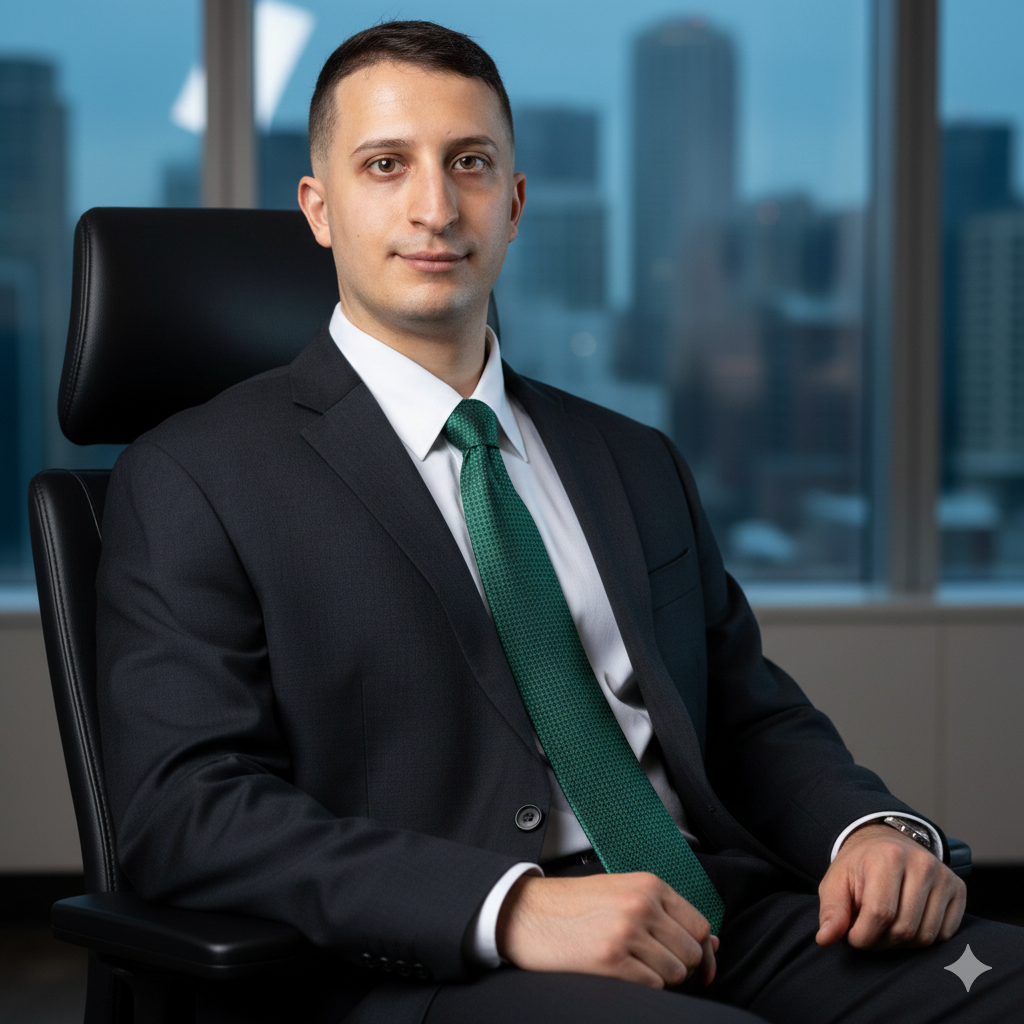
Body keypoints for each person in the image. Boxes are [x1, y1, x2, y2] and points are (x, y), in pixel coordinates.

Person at [96, 20, 1023, 1024]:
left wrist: (866, 830)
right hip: (439, 964)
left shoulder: (631, 456)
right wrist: (510, 907)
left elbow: (748, 715)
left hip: (715, 914)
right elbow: (187, 808)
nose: (435, 206)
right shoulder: (194, 475)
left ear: (516, 201)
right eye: (384, 165)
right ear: (318, 209)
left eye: (470, 164)